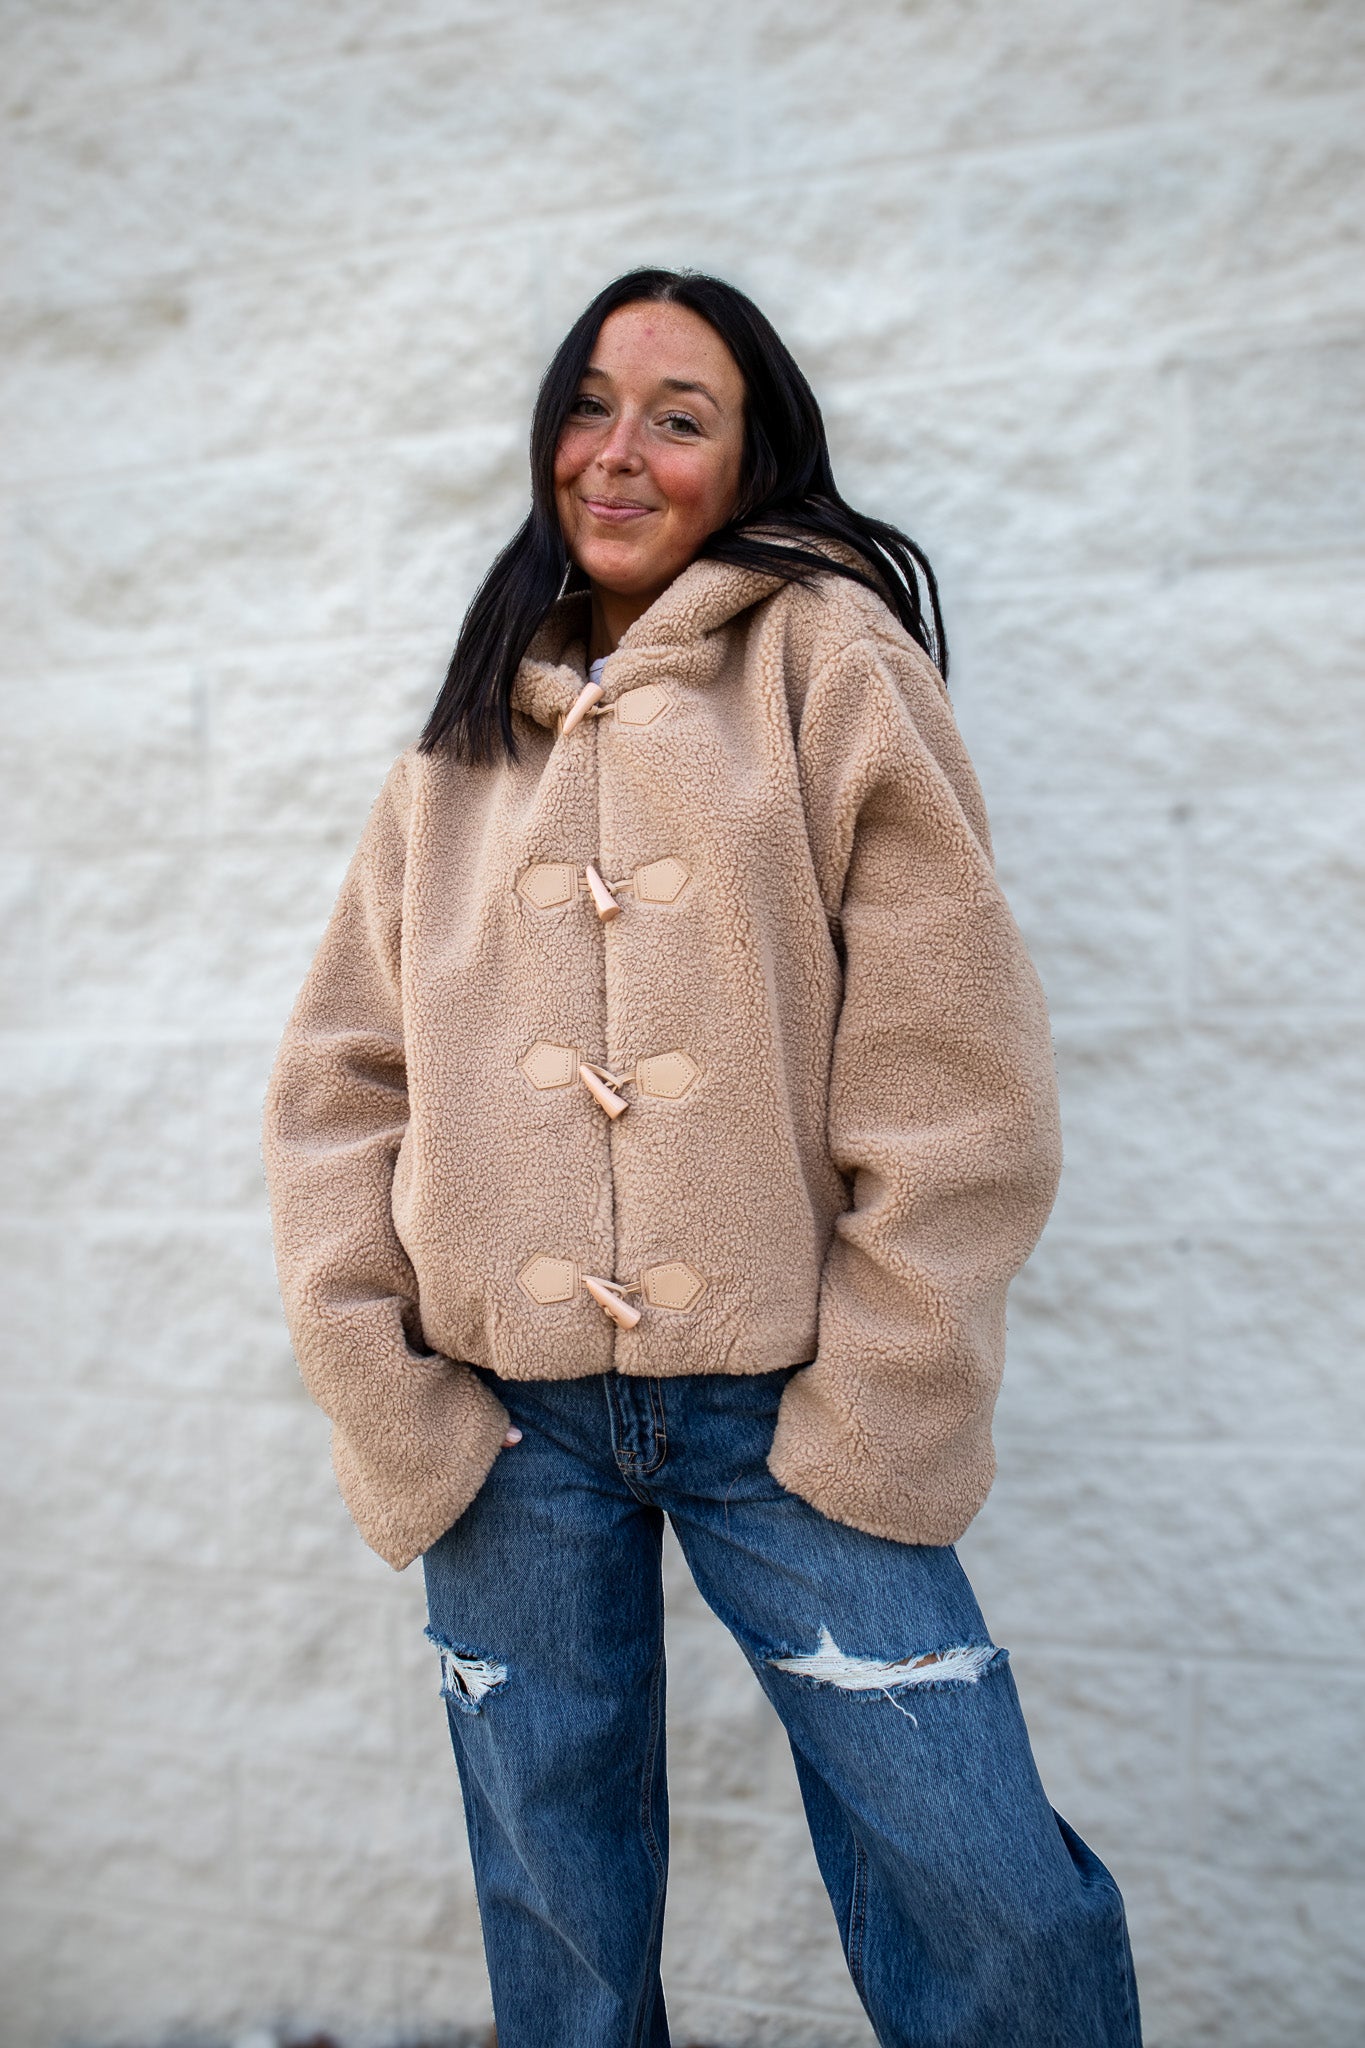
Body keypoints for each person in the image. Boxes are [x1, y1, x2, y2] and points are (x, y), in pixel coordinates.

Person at [262, 269, 1141, 2048]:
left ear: (750, 460)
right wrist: (387, 1387)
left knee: (988, 1892)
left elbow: (954, 1069)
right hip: (506, 1426)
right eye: (590, 404)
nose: (618, 451)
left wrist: (884, 1381)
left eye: (678, 417)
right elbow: (338, 1081)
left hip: (788, 1406)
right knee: (561, 1931)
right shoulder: (461, 741)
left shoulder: (830, 661)